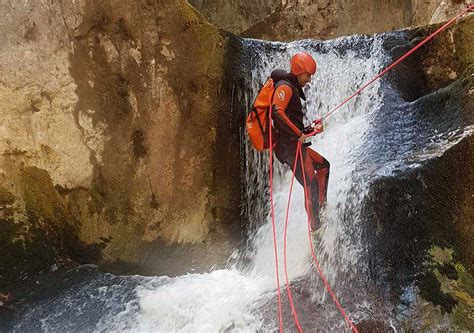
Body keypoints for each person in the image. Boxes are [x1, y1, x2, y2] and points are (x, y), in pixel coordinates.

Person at [271, 52, 330, 230]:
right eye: (308, 75)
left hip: (294, 144)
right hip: (289, 148)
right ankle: (316, 228)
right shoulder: (285, 87)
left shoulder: (292, 88)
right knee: (310, 185)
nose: (309, 79)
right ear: (298, 70)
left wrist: (310, 130)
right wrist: (299, 134)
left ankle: (322, 208)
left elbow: (289, 121)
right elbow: (277, 112)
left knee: (324, 166)